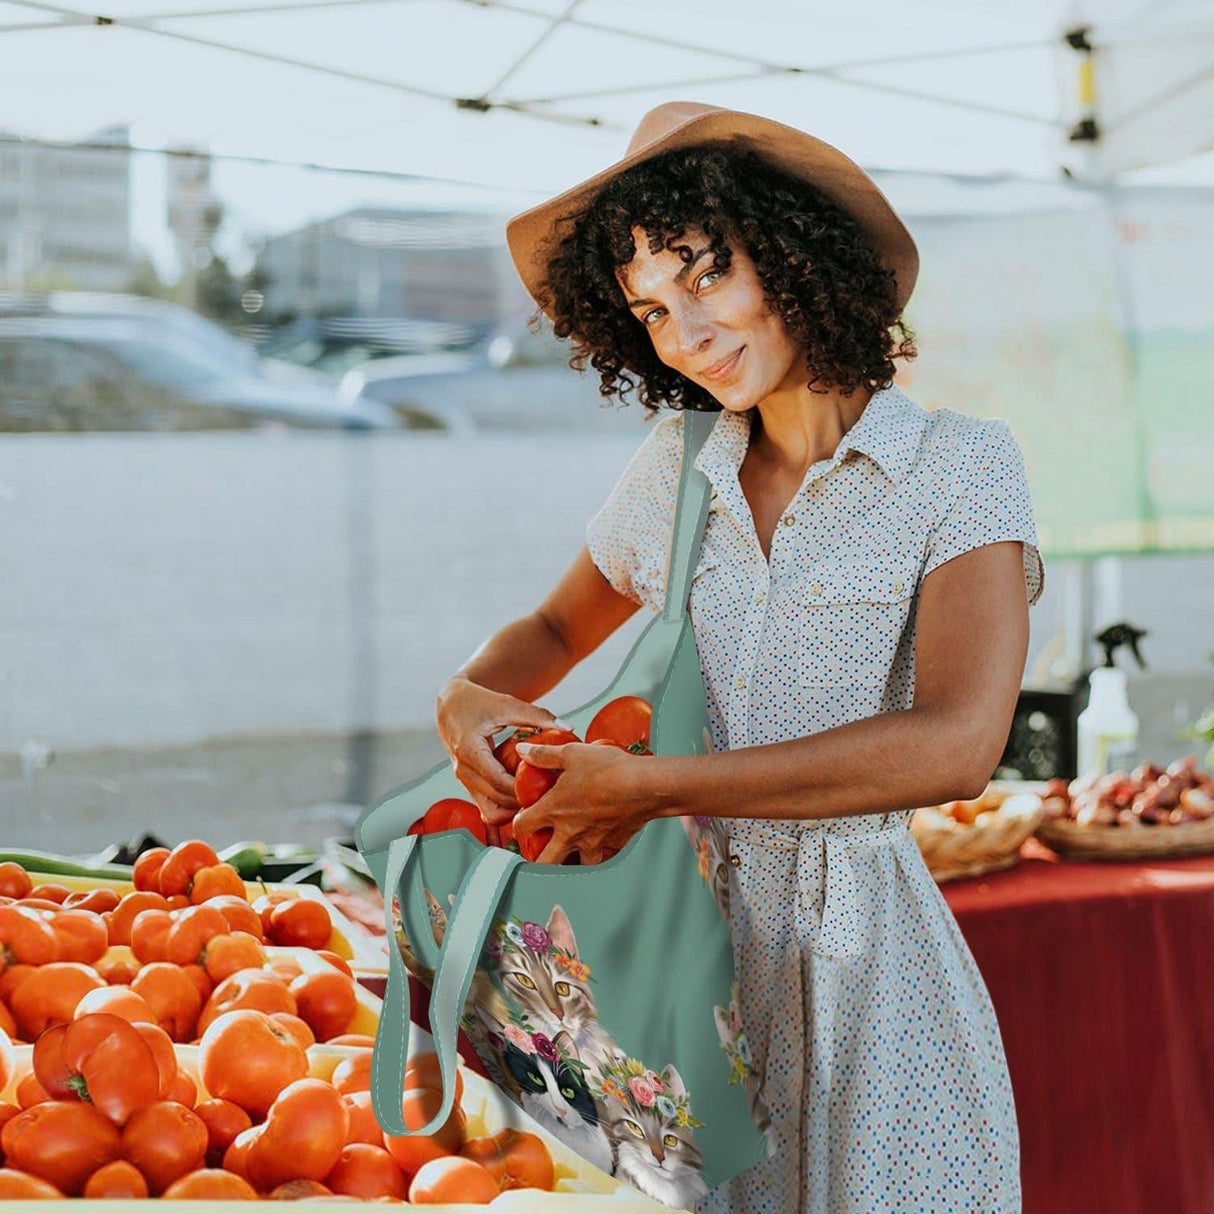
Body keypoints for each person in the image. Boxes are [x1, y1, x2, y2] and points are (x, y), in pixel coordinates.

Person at [435, 101, 1043, 1213]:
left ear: (793, 253)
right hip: (684, 965)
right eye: (651, 309)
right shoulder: (678, 463)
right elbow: (554, 631)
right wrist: (469, 695)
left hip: (872, 975)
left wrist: (654, 786)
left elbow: (957, 745)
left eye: (704, 276)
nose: (681, 332)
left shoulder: (957, 467)